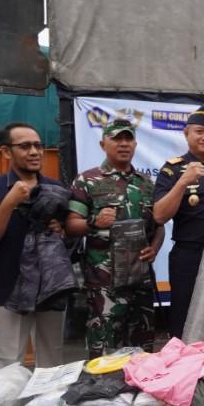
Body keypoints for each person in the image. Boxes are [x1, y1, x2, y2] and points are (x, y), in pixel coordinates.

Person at [66, 119, 164, 358]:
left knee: (142, 351)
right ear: (103, 144)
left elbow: (159, 226)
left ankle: (137, 395)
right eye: (116, 139)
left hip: (140, 281)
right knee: (104, 350)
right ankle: (100, 392)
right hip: (104, 284)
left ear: (135, 144)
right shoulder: (86, 180)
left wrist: (154, 248)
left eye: (128, 139)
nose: (123, 144)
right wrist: (94, 222)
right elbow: (70, 225)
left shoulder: (146, 183)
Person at [0, 122, 66, 369]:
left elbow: (71, 240)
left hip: (51, 287)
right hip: (8, 287)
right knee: (7, 364)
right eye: (25, 146)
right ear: (6, 152)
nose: (34, 152)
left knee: (52, 363)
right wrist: (9, 202)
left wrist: (62, 232)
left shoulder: (57, 189)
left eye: (38, 145)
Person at [153, 105, 204, 350]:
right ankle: (186, 381)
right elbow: (159, 216)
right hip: (188, 257)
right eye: (200, 131)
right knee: (184, 323)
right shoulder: (173, 169)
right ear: (186, 133)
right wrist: (183, 182)